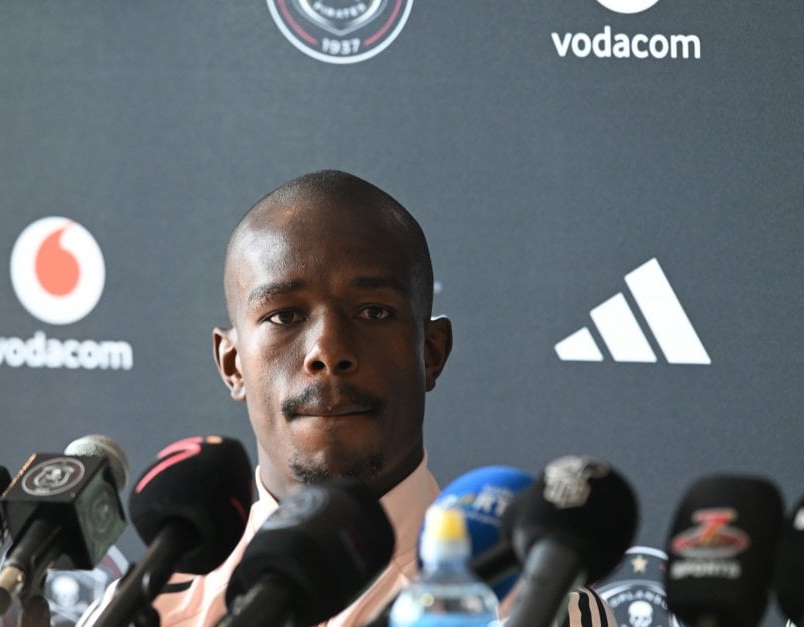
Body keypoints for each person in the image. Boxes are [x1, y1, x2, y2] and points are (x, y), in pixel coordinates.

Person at [81, 170, 616, 626]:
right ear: (232, 364)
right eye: (284, 316)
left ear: (431, 352)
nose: (328, 351)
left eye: (373, 312)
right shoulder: (145, 608)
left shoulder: (541, 608)